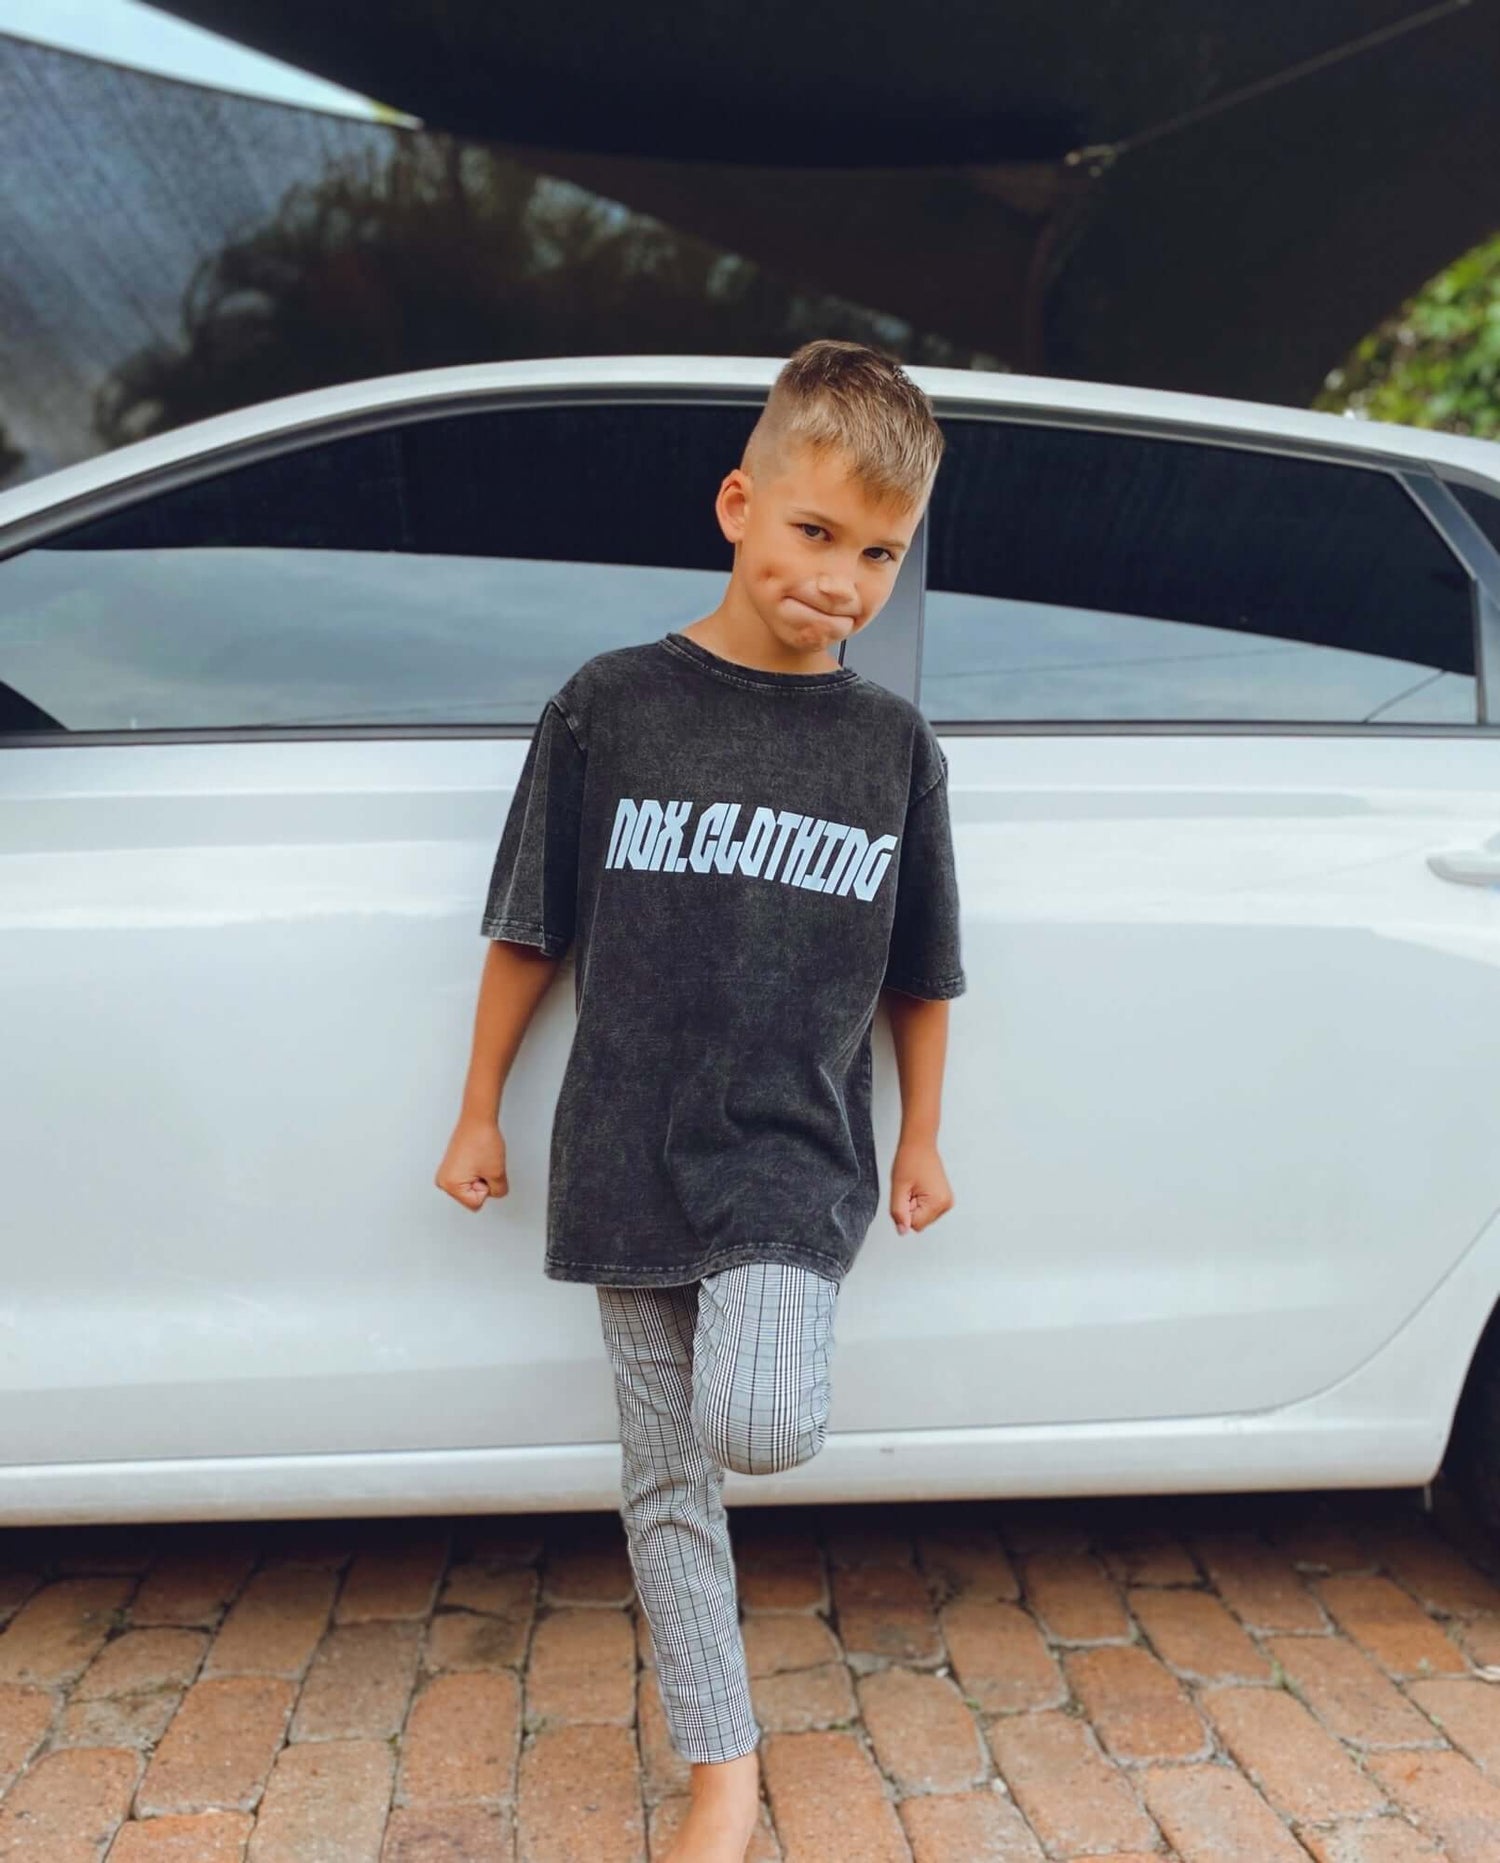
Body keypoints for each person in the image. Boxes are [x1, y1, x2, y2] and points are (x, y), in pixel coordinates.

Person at [435, 338, 966, 1863]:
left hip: (794, 1154)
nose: (843, 581)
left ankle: (725, 1746)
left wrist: (924, 1134)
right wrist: (478, 1108)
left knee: (758, 1421)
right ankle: (721, 1768)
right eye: (816, 531)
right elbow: (529, 928)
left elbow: (921, 971)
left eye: (881, 555)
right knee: (663, 1480)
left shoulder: (890, 750)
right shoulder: (610, 706)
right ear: (739, 506)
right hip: (623, 1143)